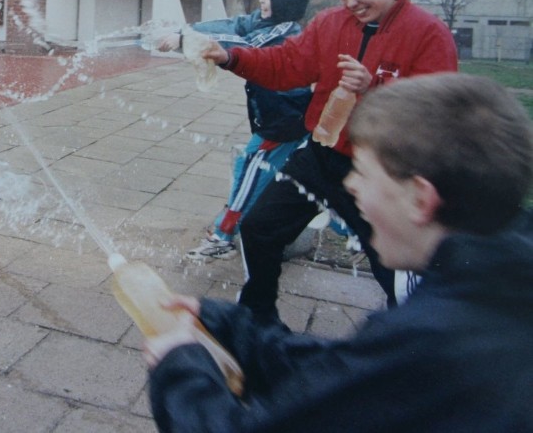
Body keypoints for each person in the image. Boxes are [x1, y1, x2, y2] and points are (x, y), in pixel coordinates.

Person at [144, 73, 533, 432]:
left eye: (362, 172)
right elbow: (350, 376)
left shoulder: (430, 336)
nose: (350, 186)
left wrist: (179, 368)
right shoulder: (495, 296)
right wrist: (230, 325)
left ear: (419, 198)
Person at [201, 0, 457, 316]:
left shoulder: (428, 33)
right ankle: (258, 319)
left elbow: (439, 112)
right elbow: (286, 64)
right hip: (320, 156)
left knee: (393, 267)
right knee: (259, 228)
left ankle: (407, 345)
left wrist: (374, 90)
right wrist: (230, 57)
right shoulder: (329, 24)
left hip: (380, 171)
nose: (351, 3)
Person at [159, 0, 344, 263]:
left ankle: (223, 237)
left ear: (283, 3)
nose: (262, 1)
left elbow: (241, 42)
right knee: (296, 181)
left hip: (284, 123)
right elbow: (234, 25)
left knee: (251, 173)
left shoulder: (284, 34)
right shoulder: (265, 21)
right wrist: (188, 29)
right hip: (276, 119)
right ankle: (348, 227)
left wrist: (186, 40)